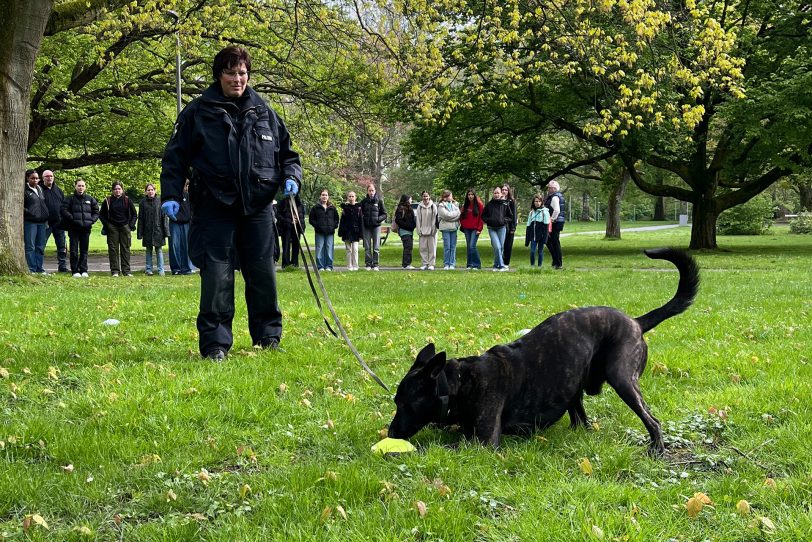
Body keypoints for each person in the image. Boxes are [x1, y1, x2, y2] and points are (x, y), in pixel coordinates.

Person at [159, 45, 302, 361]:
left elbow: (289, 155)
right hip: (214, 206)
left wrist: (292, 176)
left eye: (242, 73)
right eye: (230, 72)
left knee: (263, 273)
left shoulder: (266, 113)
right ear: (218, 75)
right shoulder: (198, 112)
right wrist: (170, 195)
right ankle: (215, 344)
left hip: (258, 208)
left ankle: (268, 337)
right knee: (217, 277)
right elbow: (175, 158)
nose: (237, 79)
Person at [60, 179, 99, 277]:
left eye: (82, 186)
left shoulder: (90, 199)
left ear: (85, 187)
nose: (80, 187)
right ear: (75, 186)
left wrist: (91, 221)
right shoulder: (70, 198)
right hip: (73, 228)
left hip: (86, 229)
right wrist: (72, 219)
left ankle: (84, 269)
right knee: (73, 250)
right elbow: (63, 210)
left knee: (84, 250)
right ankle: (75, 270)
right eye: (79, 185)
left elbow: (96, 212)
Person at [99, 181, 137, 277]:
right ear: (112, 190)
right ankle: (115, 271)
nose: (117, 191)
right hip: (112, 227)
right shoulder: (108, 201)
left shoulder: (127, 200)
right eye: (115, 189)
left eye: (119, 189)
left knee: (126, 249)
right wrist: (107, 225)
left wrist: (131, 225)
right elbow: (101, 214)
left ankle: (126, 271)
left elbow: (134, 214)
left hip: (125, 226)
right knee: (113, 249)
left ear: (122, 190)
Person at [40, 170, 68, 273]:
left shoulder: (58, 190)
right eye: (47, 176)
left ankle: (62, 266)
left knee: (62, 246)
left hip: (59, 223)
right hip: (45, 223)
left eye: (51, 176)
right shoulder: (39, 190)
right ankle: (39, 266)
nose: (49, 178)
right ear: (43, 178)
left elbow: (64, 206)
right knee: (41, 245)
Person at [138, 183, 169, 276]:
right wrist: (140, 233)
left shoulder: (160, 201)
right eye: (148, 190)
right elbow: (141, 218)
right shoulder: (142, 202)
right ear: (146, 191)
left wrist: (166, 232)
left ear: (155, 191)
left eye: (152, 190)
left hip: (158, 230)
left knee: (159, 250)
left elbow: (164, 217)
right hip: (147, 230)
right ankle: (148, 269)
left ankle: (161, 270)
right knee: (148, 250)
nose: (150, 191)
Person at [23, 169, 50, 274]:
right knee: (30, 246)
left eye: (37, 178)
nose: (35, 180)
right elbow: (21, 205)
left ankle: (40, 269)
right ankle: (32, 268)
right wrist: (30, 213)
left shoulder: (39, 188)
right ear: (27, 178)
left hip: (42, 222)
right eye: (32, 178)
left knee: (40, 246)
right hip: (30, 222)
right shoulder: (24, 190)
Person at [481, 186, 513, 271]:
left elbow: (510, 216)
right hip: (492, 228)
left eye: (498, 193)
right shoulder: (489, 204)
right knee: (497, 247)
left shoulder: (505, 204)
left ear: (501, 194)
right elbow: (483, 216)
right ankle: (502, 266)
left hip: (502, 228)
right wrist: (489, 220)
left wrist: (504, 220)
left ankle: (496, 265)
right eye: (495, 193)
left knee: (501, 247)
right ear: (493, 194)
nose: (496, 194)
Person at [168, 180, 194, 275]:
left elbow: (191, 209)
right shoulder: (172, 196)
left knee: (186, 245)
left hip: (186, 223)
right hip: (175, 222)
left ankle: (186, 268)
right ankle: (176, 269)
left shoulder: (188, 195)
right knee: (174, 245)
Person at [308, 189, 339, 271]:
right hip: (319, 232)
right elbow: (311, 219)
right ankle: (320, 266)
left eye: (326, 195)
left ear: (328, 197)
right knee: (319, 249)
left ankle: (329, 266)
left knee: (329, 249)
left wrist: (333, 226)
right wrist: (317, 226)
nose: (324, 196)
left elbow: (336, 219)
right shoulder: (315, 208)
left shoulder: (332, 208)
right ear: (320, 196)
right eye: (323, 195)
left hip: (330, 232)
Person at [360, 183, 387, 271]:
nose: (371, 192)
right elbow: (360, 213)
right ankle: (368, 264)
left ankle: (375, 264)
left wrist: (378, 219)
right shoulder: (364, 201)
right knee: (367, 247)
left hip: (376, 226)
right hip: (366, 227)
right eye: (369, 190)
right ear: (367, 191)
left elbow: (384, 214)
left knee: (376, 247)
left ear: (375, 191)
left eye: (373, 190)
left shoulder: (379, 201)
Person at [277, 193, 305, 268]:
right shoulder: (283, 202)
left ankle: (295, 264)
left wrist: (299, 222)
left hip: (297, 228)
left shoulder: (299, 203)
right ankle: (286, 265)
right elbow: (278, 214)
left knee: (296, 246)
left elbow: (302, 215)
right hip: (286, 227)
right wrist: (287, 221)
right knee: (286, 246)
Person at [459, 188, 484, 270]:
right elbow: (462, 216)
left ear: (474, 195)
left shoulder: (479, 204)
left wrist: (479, 229)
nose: (470, 196)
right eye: (469, 195)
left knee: (472, 246)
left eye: (472, 194)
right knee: (469, 246)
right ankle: (469, 264)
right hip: (467, 229)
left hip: (475, 229)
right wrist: (463, 224)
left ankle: (477, 264)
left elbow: (481, 218)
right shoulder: (465, 205)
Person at [338, 191, 363, 270]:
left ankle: (356, 266)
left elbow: (360, 221)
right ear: (347, 198)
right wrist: (341, 232)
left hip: (356, 231)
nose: (351, 198)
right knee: (348, 249)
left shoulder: (359, 208)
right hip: (347, 231)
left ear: (355, 197)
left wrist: (361, 234)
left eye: (353, 196)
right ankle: (349, 266)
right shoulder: (345, 208)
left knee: (355, 249)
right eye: (350, 196)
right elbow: (342, 221)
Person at [544, 180, 566, 270]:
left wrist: (552, 220)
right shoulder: (557, 196)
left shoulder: (554, 197)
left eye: (549, 187)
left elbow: (557, 210)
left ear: (554, 188)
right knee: (552, 241)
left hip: (555, 222)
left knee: (553, 242)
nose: (548, 189)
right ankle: (555, 261)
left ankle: (558, 262)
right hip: (558, 221)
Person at [437, 189, 461, 270]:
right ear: (445, 197)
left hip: (454, 228)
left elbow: (459, 215)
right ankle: (446, 264)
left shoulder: (455, 204)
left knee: (453, 246)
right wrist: (454, 216)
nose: (452, 197)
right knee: (447, 246)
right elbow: (446, 215)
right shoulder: (441, 205)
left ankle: (452, 264)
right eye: (450, 196)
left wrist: (453, 217)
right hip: (445, 228)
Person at [525, 194, 551, 268]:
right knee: (532, 252)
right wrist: (527, 240)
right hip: (533, 236)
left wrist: (545, 239)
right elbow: (528, 226)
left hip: (541, 236)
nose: (538, 203)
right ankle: (532, 266)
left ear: (542, 202)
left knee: (540, 252)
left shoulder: (545, 212)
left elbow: (546, 227)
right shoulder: (531, 213)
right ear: (533, 202)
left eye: (539, 201)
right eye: (536, 201)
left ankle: (539, 266)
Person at [415, 191, 438, 270]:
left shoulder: (433, 206)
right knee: (423, 248)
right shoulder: (419, 207)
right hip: (423, 230)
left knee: (432, 248)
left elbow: (435, 219)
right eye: (424, 196)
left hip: (432, 231)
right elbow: (418, 219)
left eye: (427, 196)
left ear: (429, 197)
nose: (425, 198)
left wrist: (433, 230)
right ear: (422, 197)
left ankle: (431, 264)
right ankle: (424, 263)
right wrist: (419, 230)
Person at [394, 194, 416, 269]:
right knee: (408, 247)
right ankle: (406, 264)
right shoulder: (401, 208)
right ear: (407, 199)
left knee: (408, 247)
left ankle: (406, 264)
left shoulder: (409, 208)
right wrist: (408, 226)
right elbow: (398, 220)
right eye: (410, 199)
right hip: (404, 231)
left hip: (409, 231)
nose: (411, 200)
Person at [501, 183, 518, 267]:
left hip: (509, 227)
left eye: (505, 190)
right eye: (502, 190)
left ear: (508, 191)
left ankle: (506, 263)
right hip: (500, 226)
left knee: (508, 245)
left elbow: (514, 215)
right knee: (500, 245)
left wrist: (513, 228)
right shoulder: (498, 200)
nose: (504, 191)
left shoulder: (511, 201)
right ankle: (499, 262)